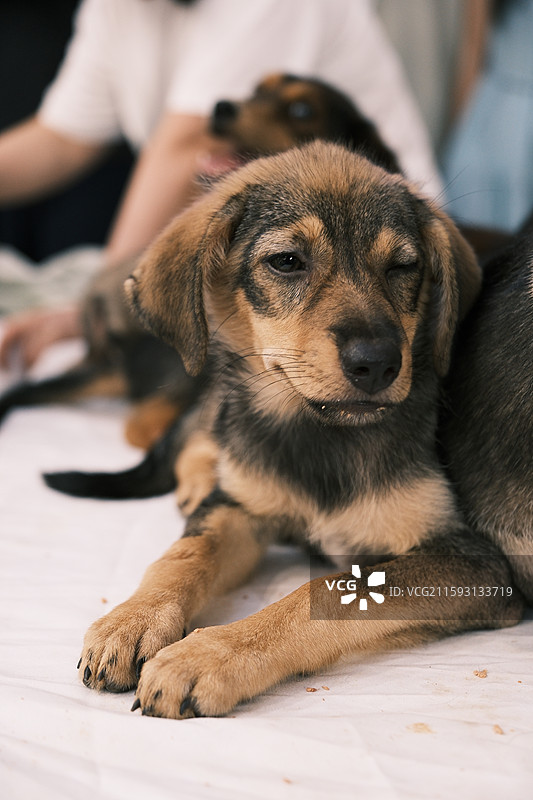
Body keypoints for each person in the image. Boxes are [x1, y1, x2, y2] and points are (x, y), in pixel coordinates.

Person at [0, 0, 442, 370]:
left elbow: (186, 148)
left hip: (384, 263)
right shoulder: (116, 6)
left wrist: (98, 313)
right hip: (279, 265)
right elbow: (61, 140)